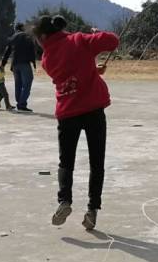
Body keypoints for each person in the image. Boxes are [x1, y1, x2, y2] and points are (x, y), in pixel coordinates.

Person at [33, 15, 119, 230]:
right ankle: (92, 210)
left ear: (43, 36)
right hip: (93, 110)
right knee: (96, 163)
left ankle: (65, 201)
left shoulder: (46, 59)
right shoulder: (79, 40)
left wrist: (91, 70)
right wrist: (95, 33)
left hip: (68, 113)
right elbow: (113, 40)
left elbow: (68, 76)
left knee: (66, 162)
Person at [1, 22, 37, 112]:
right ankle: (22, 104)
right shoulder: (26, 36)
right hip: (24, 63)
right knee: (27, 83)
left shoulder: (12, 37)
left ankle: (20, 103)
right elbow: (32, 48)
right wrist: (33, 61)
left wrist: (3, 64)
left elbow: (7, 52)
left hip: (15, 64)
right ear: (22, 28)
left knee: (18, 84)